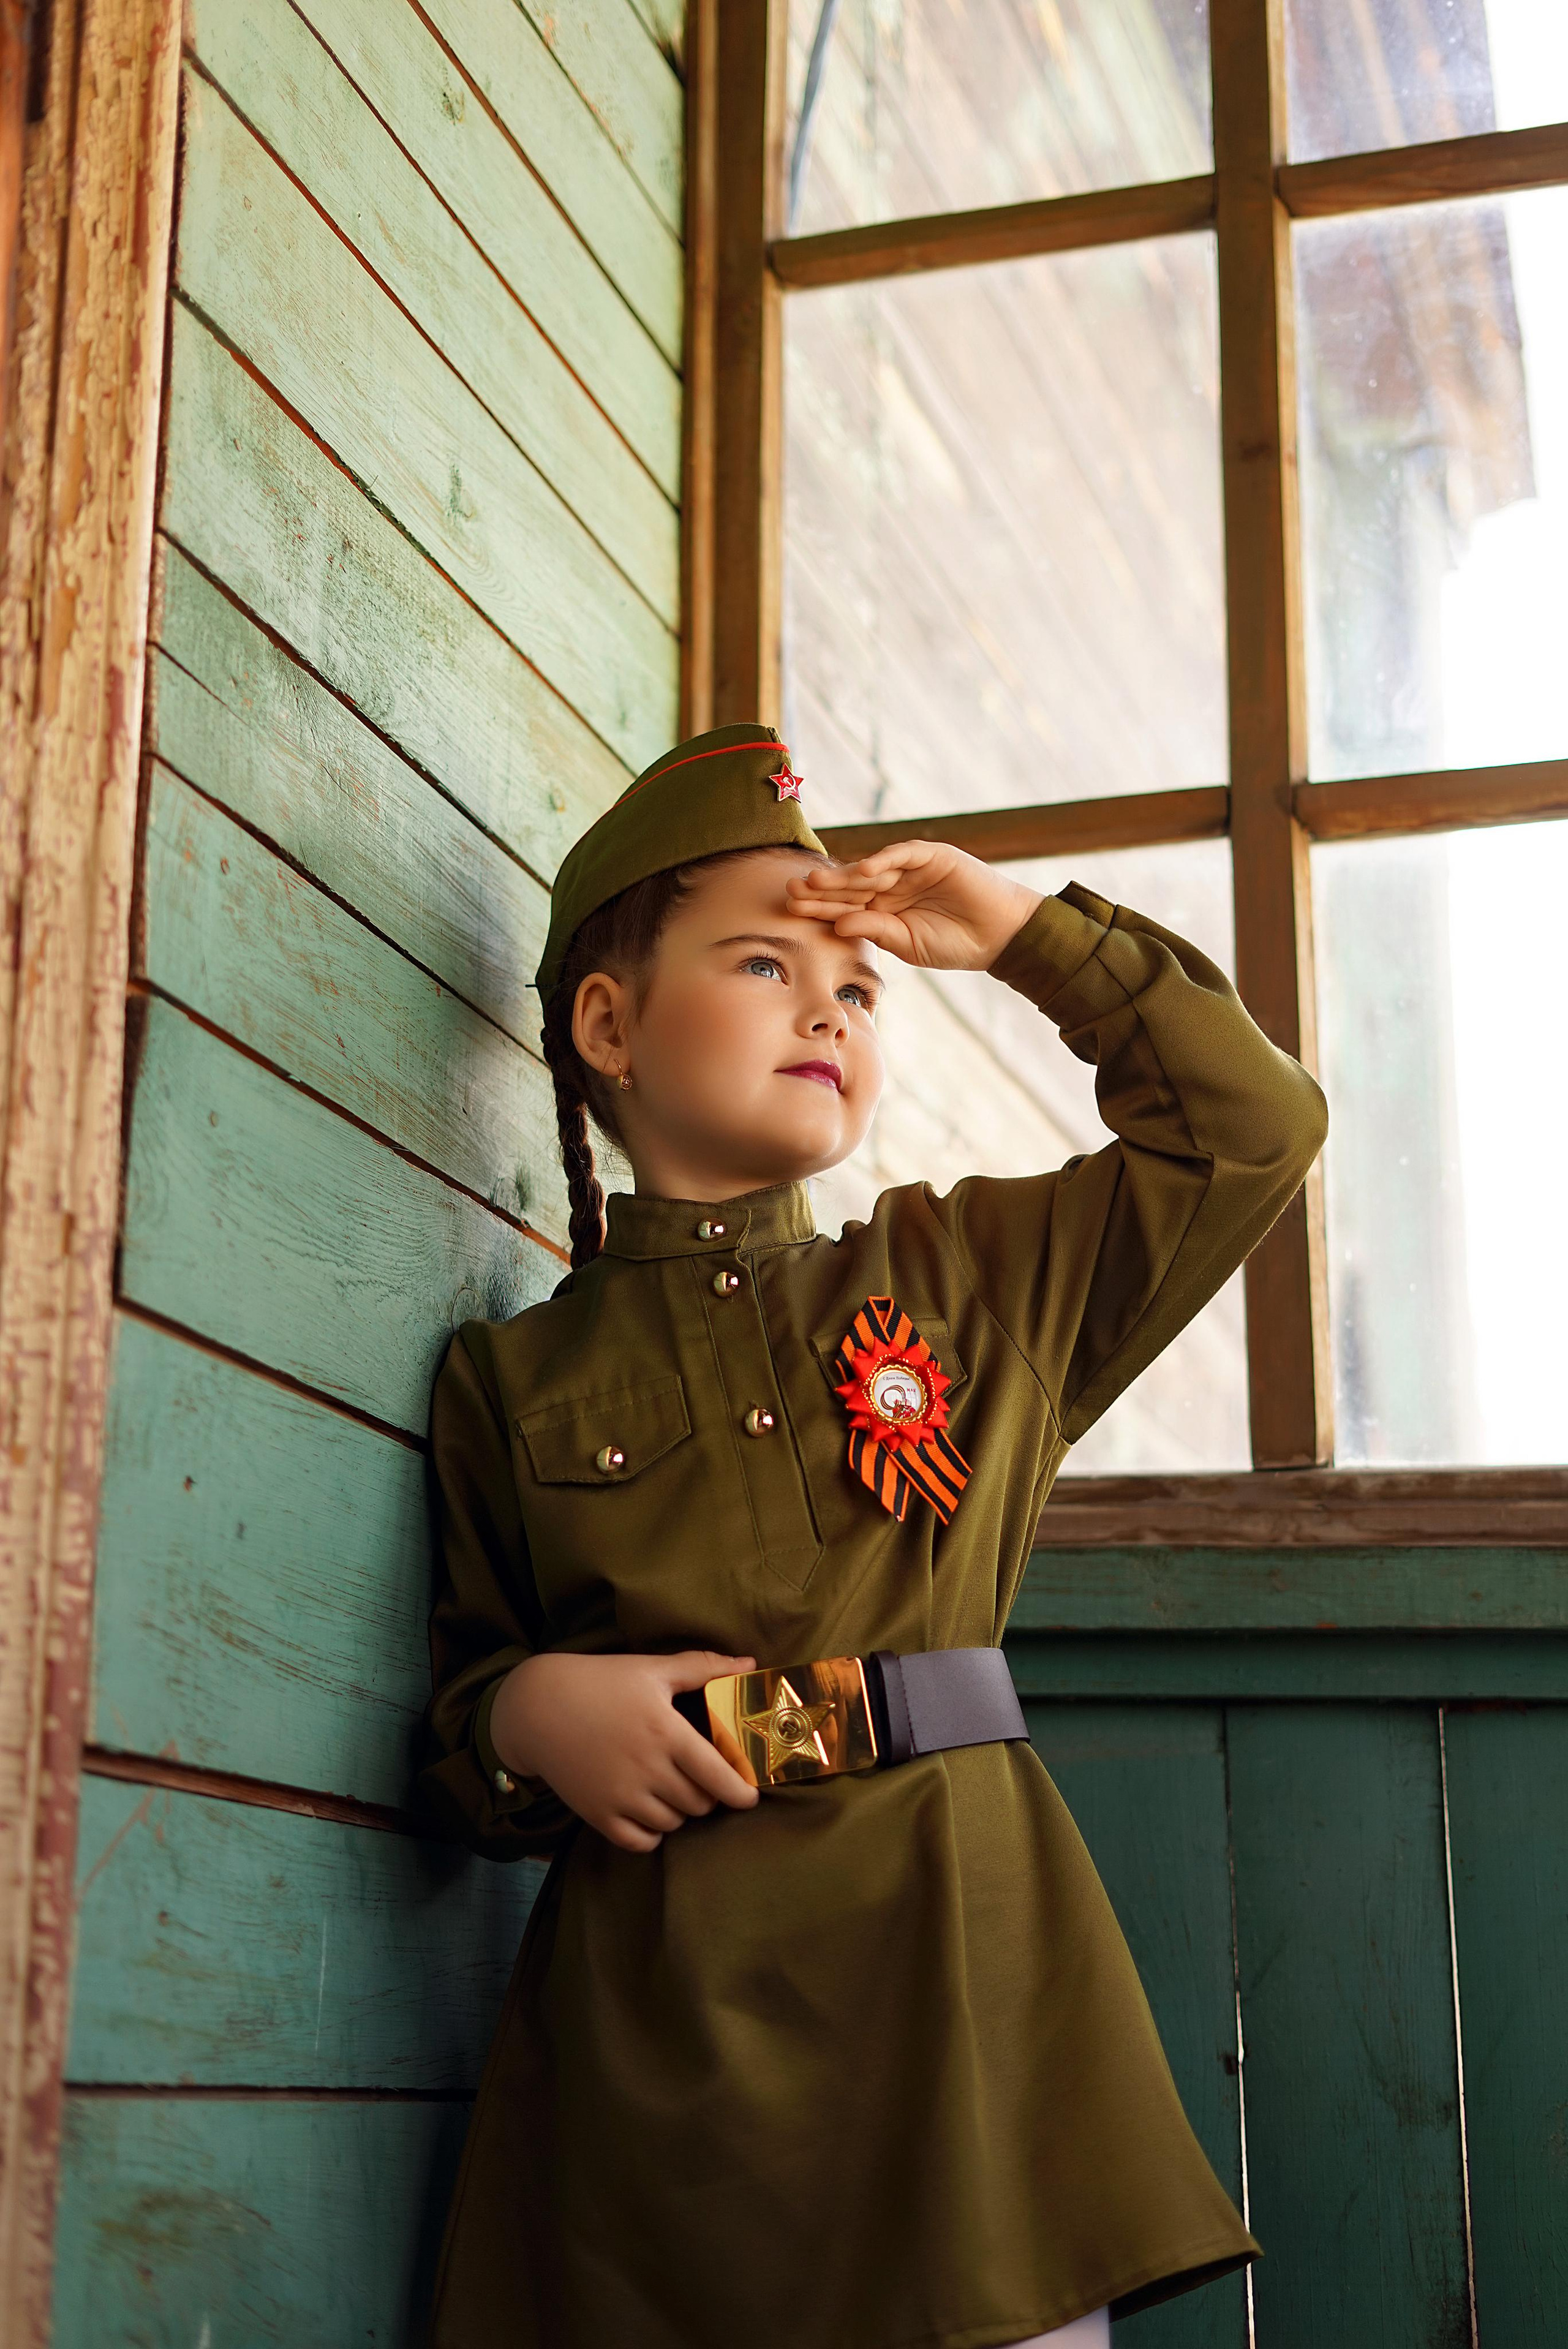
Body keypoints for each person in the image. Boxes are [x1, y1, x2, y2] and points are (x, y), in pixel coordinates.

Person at [420, 724, 1327, 2348]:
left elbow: (1251, 1128)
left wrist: (1020, 933)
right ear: (609, 1023)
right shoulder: (514, 1375)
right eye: (765, 960)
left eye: (855, 983)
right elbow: (458, 1718)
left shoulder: (981, 1278)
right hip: (660, 2064)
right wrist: (527, 1712)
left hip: (964, 2013)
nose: (827, 1005)